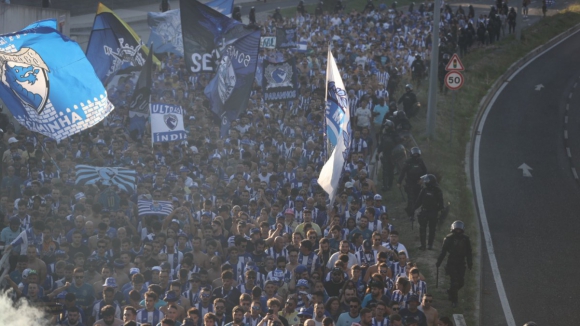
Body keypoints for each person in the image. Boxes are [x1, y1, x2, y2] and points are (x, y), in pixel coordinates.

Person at [436, 221, 473, 307]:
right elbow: (443, 252)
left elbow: (469, 252)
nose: (458, 231)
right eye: (456, 229)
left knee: (461, 282)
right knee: (454, 282)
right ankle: (454, 301)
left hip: (461, 262)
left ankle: (451, 291)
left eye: (459, 229)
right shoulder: (448, 239)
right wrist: (439, 262)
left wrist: (469, 263)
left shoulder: (466, 239)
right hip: (452, 262)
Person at [414, 174, 444, 250]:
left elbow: (441, 204)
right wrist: (413, 209)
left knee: (432, 229)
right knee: (423, 228)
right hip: (426, 212)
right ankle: (423, 245)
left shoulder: (437, 191)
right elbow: (419, 201)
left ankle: (429, 245)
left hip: (432, 213)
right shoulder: (424, 190)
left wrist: (440, 211)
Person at [397, 148, 427, 219]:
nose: (416, 155)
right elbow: (402, 172)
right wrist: (399, 182)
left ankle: (412, 211)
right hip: (410, 184)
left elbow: (425, 171)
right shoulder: (408, 162)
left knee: (418, 199)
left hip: (418, 183)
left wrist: (422, 179)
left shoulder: (420, 161)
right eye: (414, 154)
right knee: (411, 199)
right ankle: (411, 215)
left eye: (417, 154)